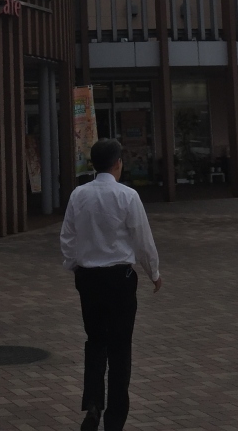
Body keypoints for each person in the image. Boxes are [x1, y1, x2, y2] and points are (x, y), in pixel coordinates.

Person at [60, 139, 162, 431]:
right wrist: (154, 272)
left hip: (89, 279)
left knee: (95, 342)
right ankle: (115, 420)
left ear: (94, 164)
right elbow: (142, 239)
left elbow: (68, 237)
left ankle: (93, 404)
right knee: (120, 348)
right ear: (118, 163)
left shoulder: (78, 195)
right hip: (120, 279)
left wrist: (75, 266)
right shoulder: (128, 196)